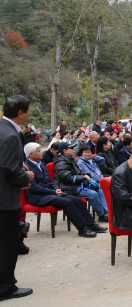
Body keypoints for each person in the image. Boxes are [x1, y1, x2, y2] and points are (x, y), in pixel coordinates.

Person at [24, 143, 105, 238]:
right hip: (38, 196)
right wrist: (53, 192)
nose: (41, 153)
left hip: (50, 192)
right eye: (38, 151)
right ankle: (82, 228)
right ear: (31, 154)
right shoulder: (26, 167)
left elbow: (50, 180)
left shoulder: (41, 164)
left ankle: (91, 224)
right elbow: (33, 187)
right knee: (67, 202)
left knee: (76, 200)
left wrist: (56, 188)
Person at [0, 95, 34, 301]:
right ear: (21, 113)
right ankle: (5, 287)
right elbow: (9, 171)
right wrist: (26, 178)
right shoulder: (12, 135)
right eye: (28, 110)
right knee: (8, 243)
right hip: (5, 198)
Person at [54, 142, 109, 222]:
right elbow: (67, 178)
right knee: (93, 194)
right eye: (71, 148)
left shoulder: (71, 159)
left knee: (99, 190)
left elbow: (78, 173)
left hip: (78, 184)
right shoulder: (61, 163)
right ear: (65, 151)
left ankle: (106, 212)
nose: (73, 150)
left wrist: (84, 175)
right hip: (69, 187)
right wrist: (83, 177)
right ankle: (102, 215)